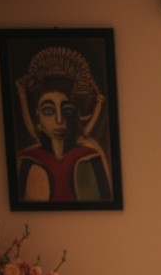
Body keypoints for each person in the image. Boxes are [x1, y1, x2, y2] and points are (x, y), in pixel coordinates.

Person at [15, 46, 112, 203]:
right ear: (37, 116)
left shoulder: (90, 156)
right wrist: (21, 93)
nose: (59, 120)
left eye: (67, 112)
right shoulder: (28, 160)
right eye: (48, 111)